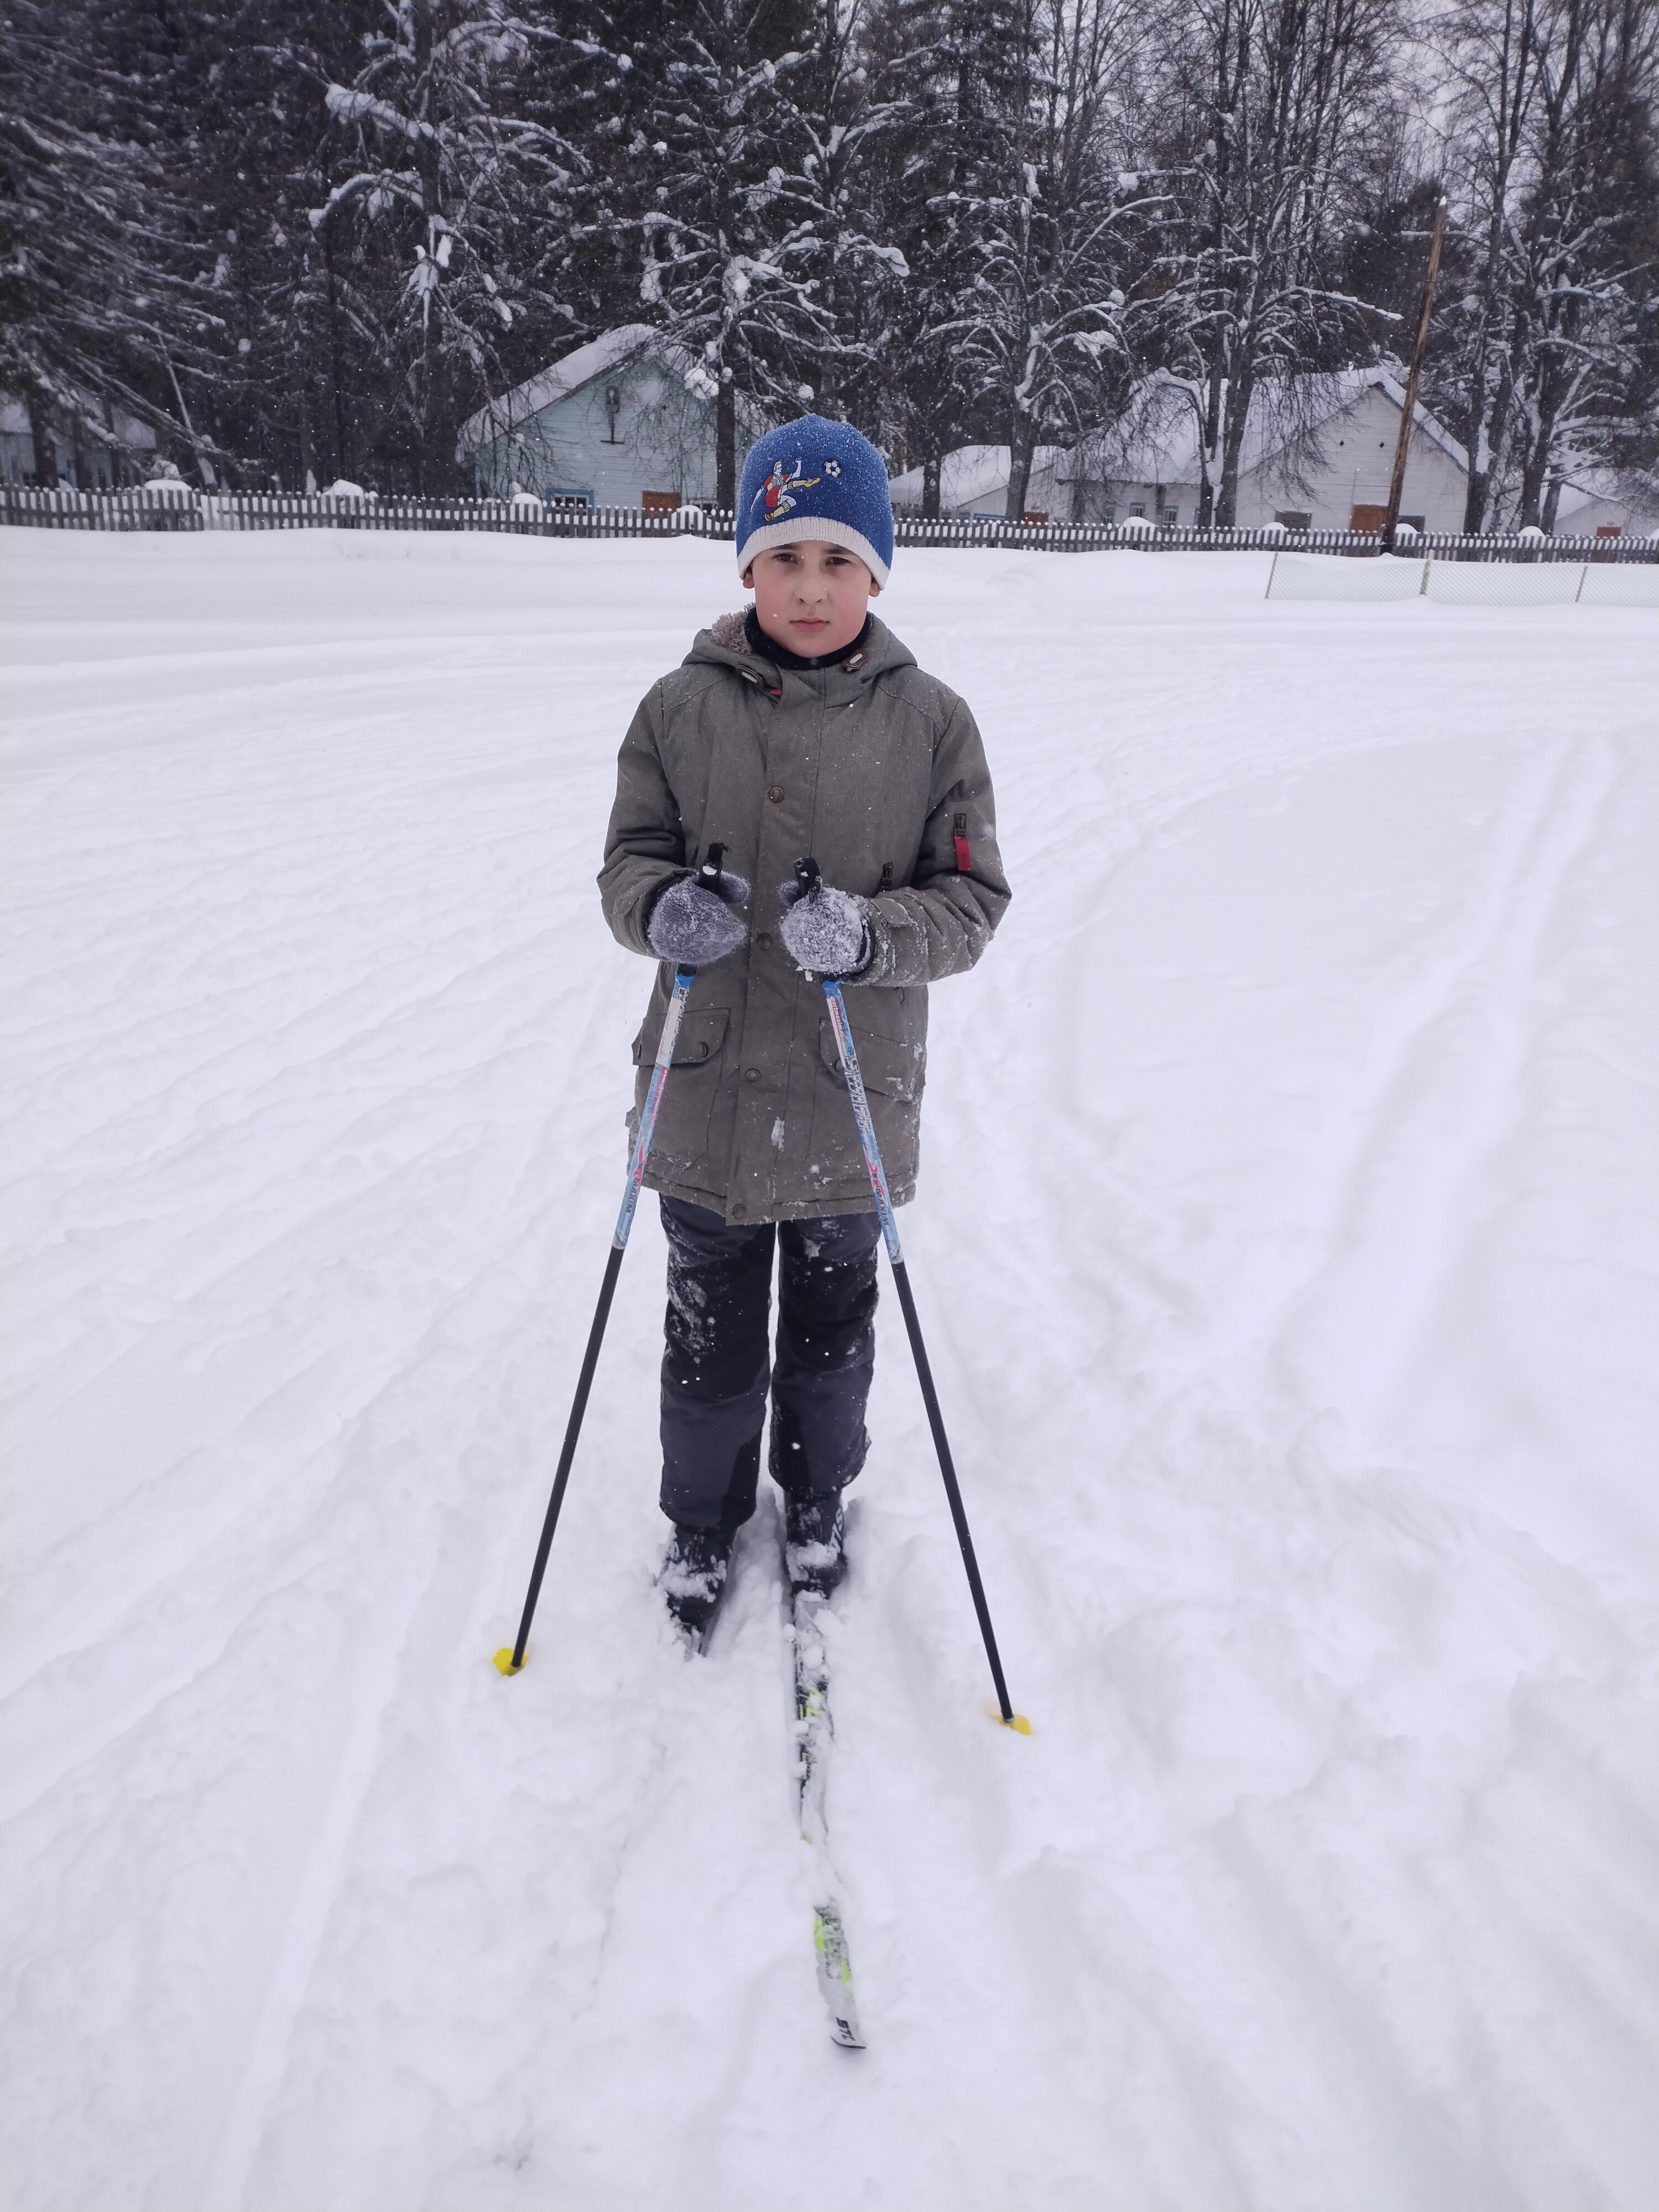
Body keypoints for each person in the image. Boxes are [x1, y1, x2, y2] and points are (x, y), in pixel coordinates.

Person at [598, 415, 1010, 1641]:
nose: (812, 588)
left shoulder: (932, 722)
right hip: (707, 1093)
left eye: (839, 561)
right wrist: (664, 912)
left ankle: (818, 1499)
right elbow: (628, 864)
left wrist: (875, 936)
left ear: (878, 572)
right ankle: (703, 1517)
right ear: (748, 566)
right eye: (786, 558)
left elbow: (972, 899)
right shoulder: (677, 709)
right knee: (708, 1338)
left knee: (832, 1335)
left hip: (848, 1101)